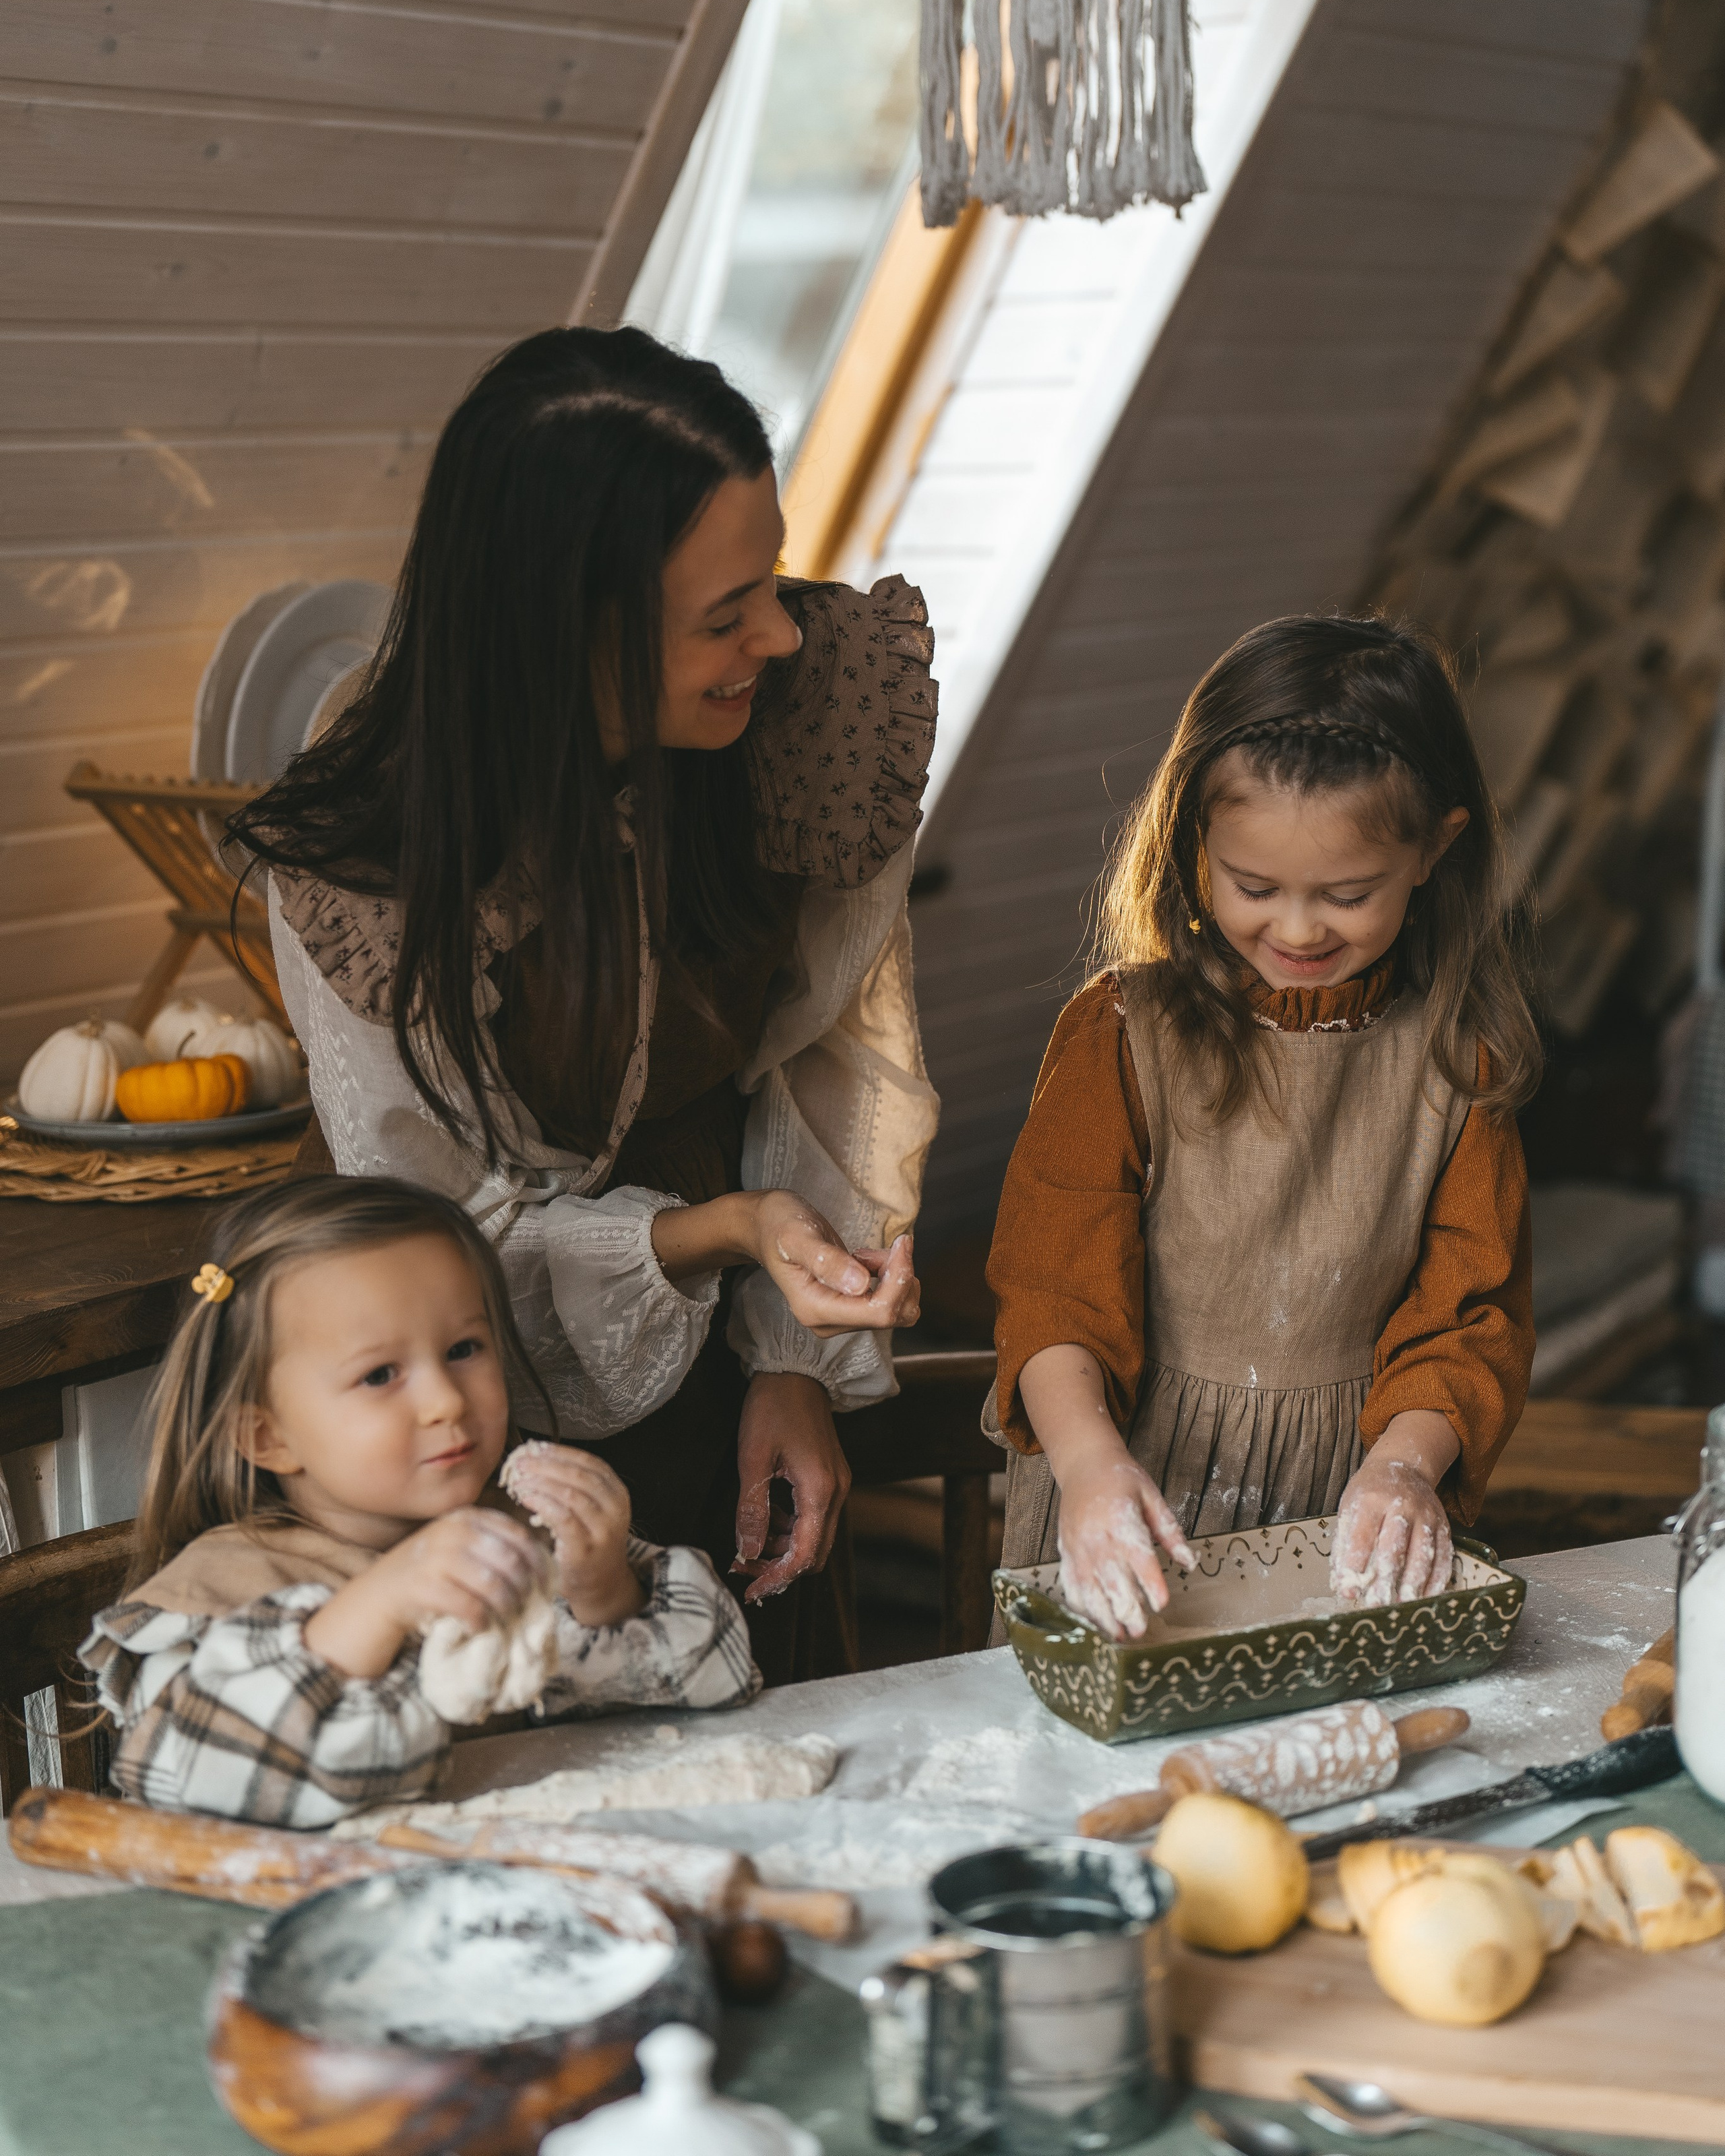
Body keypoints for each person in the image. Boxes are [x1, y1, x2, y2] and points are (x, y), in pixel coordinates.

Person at [230, 328, 939, 1680]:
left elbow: (833, 1057)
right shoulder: (374, 843)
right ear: (571, 630)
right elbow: (442, 1226)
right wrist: (717, 1232)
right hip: (455, 1396)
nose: (778, 635)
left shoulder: (810, 721)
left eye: (771, 578)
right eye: (723, 616)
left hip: (735, 1334)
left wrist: (791, 1358)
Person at [989, 614, 1538, 1638]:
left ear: (1434, 851)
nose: (1295, 929)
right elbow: (1055, 1295)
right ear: (1196, 838)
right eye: (1255, 888)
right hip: (1123, 1492)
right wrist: (1088, 1466)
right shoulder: (1122, 1036)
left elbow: (1469, 1324)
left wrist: (1405, 1471)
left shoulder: (1457, 1069)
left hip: (1351, 1505)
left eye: (1346, 894)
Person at [80, 1177, 757, 1827]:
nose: (445, 1401)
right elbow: (182, 1777)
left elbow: (719, 1679)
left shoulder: (522, 1532)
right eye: (380, 1374)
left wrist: (602, 1587)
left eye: (464, 1348)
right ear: (269, 1435)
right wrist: (380, 1603)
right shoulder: (221, 1589)